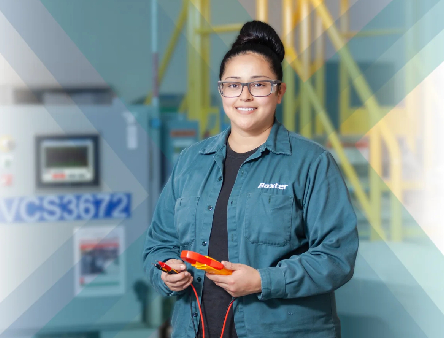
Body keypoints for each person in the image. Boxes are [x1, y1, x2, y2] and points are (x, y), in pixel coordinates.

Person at [142, 20, 359, 338]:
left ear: (279, 91)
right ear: (221, 90)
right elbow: (158, 244)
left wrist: (262, 281)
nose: (244, 96)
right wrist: (166, 274)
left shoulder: (311, 163)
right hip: (198, 328)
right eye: (233, 85)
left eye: (259, 85)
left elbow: (336, 256)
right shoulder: (191, 162)